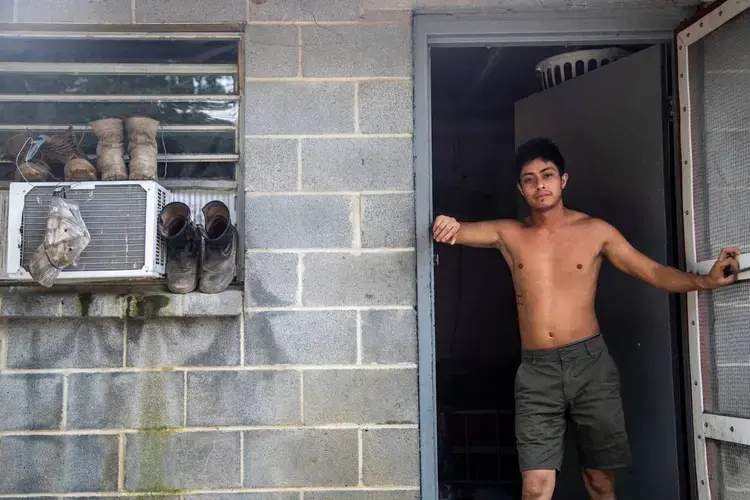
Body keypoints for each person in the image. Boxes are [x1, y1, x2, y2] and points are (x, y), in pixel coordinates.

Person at [431, 138, 740, 500]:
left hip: (590, 366)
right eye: (529, 179)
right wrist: (444, 222)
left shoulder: (595, 231)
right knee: (534, 487)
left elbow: (652, 272)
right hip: (537, 372)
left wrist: (704, 281)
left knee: (599, 481)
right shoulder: (509, 234)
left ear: (563, 180)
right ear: (520, 188)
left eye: (547, 175)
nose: (539, 185)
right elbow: (459, 231)